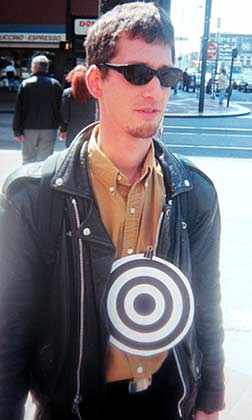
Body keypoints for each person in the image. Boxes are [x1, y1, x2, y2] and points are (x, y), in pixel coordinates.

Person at [0, 3, 225, 420]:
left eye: (167, 76)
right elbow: (11, 328)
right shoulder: (33, 194)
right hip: (73, 407)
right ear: (97, 80)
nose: (155, 90)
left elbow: (205, 304)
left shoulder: (195, 193)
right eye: (138, 74)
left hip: (170, 402)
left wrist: (210, 397)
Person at [12, 54, 63, 164]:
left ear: (34, 68)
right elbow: (60, 108)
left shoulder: (25, 84)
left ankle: (27, 180)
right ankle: (41, 181)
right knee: (44, 161)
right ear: (47, 68)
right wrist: (63, 127)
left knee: (28, 159)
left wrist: (17, 130)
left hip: (28, 128)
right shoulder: (55, 85)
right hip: (49, 127)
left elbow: (18, 110)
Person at [59, 65, 96, 147]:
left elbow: (64, 116)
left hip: (73, 131)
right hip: (90, 130)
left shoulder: (67, 94)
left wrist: (63, 129)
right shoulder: (94, 94)